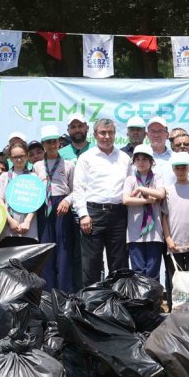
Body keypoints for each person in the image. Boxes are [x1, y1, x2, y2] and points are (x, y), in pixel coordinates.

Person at [74, 118, 132, 285]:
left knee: (118, 263)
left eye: (110, 133)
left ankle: (117, 303)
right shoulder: (86, 158)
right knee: (91, 263)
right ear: (95, 135)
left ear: (115, 134)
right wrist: (83, 215)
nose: (107, 136)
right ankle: (91, 304)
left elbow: (129, 186)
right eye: (103, 133)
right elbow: (78, 189)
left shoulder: (124, 158)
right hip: (93, 215)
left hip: (118, 214)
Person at [33, 126, 76, 291]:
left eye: (55, 141)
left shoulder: (69, 165)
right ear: (43, 144)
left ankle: (64, 293)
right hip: (43, 208)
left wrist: (67, 200)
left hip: (62, 209)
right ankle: (47, 292)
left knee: (64, 251)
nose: (52, 145)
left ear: (59, 143)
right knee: (46, 249)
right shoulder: (37, 166)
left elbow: (75, 190)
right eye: (48, 142)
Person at [162, 151, 189, 297]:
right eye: (178, 168)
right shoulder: (167, 191)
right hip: (174, 244)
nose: (181, 171)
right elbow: (164, 216)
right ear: (173, 169)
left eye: (184, 167)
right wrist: (168, 239)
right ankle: (173, 308)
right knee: (174, 279)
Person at [123, 145, 166, 279]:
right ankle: (140, 300)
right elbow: (125, 199)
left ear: (152, 161)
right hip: (135, 231)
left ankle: (153, 299)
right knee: (138, 270)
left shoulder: (157, 177)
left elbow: (160, 194)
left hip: (155, 232)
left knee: (153, 269)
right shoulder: (130, 179)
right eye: (138, 159)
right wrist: (147, 201)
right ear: (133, 161)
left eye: (145, 159)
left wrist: (142, 190)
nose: (141, 162)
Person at [0, 143, 38, 246]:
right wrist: (10, 221)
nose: (19, 159)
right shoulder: (4, 176)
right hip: (8, 229)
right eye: (15, 157)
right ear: (10, 158)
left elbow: (36, 202)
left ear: (27, 156)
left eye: (22, 156)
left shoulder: (33, 176)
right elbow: (0, 201)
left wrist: (27, 222)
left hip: (29, 230)